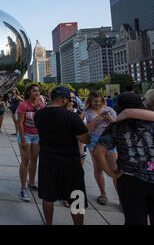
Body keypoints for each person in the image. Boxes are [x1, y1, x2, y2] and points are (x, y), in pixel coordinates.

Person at [94, 92, 154, 225]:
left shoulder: (117, 126)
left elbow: (98, 151)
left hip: (130, 180)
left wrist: (111, 173)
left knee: (134, 220)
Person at [35, 87, 91, 225]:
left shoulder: (39, 115)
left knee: (48, 197)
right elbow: (85, 139)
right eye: (70, 100)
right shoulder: (71, 117)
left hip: (47, 160)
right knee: (76, 197)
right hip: (70, 162)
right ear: (64, 99)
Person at [83, 91, 118, 205]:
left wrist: (108, 117)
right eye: (95, 101)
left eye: (99, 101)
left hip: (110, 140)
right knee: (98, 168)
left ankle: (121, 198)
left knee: (115, 168)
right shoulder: (87, 113)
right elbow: (88, 129)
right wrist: (97, 119)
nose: (97, 104)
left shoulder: (109, 110)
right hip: (94, 140)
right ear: (90, 101)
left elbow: (117, 125)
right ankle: (103, 193)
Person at [17, 84, 45, 202]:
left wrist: (39, 109)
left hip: (37, 136)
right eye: (34, 91)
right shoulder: (24, 105)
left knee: (34, 160)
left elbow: (43, 122)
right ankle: (23, 188)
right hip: (26, 135)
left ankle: (32, 183)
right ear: (29, 92)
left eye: (38, 91)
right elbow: (19, 123)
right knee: (26, 161)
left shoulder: (41, 105)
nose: (37, 93)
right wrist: (23, 139)